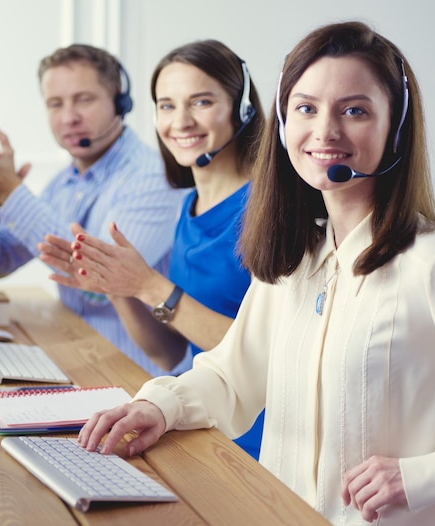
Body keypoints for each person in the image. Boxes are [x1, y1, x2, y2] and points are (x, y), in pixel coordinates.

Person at [76, 21, 435, 525]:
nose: (325, 132)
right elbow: (232, 373)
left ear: (396, 126)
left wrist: (427, 476)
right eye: (306, 108)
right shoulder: (297, 261)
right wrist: (160, 407)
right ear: (281, 122)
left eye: (355, 110)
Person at [38, 40, 266, 459]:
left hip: (255, 441)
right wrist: (117, 287)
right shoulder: (188, 206)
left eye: (200, 102)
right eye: (166, 105)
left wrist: (148, 285)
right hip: (198, 422)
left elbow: (263, 354)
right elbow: (170, 351)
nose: (180, 121)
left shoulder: (267, 211)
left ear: (242, 107)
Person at [0, 44, 187, 377]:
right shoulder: (63, 183)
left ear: (120, 102)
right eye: (55, 104)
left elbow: (102, 286)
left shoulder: (154, 176)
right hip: (82, 360)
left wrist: (9, 192)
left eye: (84, 99)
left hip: (140, 379)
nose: (68, 117)